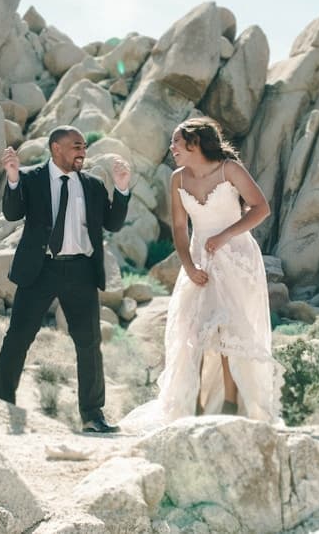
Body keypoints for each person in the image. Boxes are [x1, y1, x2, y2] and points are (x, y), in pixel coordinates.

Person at [121, 117, 282, 430]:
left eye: (177, 142)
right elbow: (180, 227)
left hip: (236, 257)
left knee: (227, 328)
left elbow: (261, 208)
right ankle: (192, 402)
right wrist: (188, 266)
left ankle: (232, 401)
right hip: (198, 259)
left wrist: (225, 236)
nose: (172, 148)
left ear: (195, 143)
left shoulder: (229, 169)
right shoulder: (177, 179)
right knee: (191, 329)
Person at [0, 125, 131, 433]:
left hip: (81, 271)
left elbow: (112, 223)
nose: (83, 151)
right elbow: (13, 214)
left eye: (84, 147)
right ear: (57, 148)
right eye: (76, 146)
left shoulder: (93, 184)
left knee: (89, 343)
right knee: (18, 337)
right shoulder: (31, 178)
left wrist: (121, 190)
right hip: (39, 269)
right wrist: (12, 178)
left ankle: (92, 416)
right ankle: (0, 404)